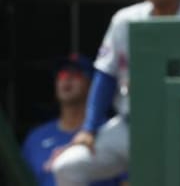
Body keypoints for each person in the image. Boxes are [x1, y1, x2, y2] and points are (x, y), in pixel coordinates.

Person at [51, 0, 180, 186]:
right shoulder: (124, 20)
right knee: (68, 167)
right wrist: (89, 128)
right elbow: (105, 76)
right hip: (133, 125)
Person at [21, 54, 121, 186]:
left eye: (76, 74)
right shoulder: (35, 139)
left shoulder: (112, 131)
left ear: (93, 84)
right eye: (62, 74)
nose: (67, 78)